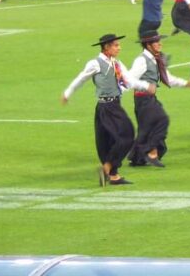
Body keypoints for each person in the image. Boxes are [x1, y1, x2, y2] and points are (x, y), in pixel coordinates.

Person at [61, 33, 155, 186]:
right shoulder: (95, 63)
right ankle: (108, 168)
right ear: (106, 47)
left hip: (114, 105)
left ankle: (113, 175)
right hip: (106, 107)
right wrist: (67, 93)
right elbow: (81, 78)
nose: (119, 48)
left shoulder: (116, 63)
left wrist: (145, 86)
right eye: (116, 45)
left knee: (111, 140)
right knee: (126, 135)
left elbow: (129, 81)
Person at [129, 30, 190, 167]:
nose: (159, 44)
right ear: (148, 45)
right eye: (156, 42)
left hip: (149, 98)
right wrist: (146, 86)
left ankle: (138, 158)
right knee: (162, 119)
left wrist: (186, 83)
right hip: (143, 99)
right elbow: (129, 79)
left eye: (159, 41)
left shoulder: (156, 59)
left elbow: (167, 77)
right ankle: (151, 153)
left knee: (146, 129)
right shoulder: (142, 60)